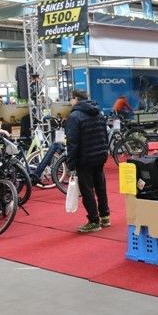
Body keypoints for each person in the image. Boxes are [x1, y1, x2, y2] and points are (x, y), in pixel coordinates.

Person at [65, 90, 110, 233]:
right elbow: (105, 135)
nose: (70, 101)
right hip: (100, 156)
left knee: (87, 190)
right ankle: (105, 216)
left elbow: (72, 143)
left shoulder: (74, 117)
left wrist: (71, 163)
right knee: (100, 187)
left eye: (71, 99)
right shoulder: (98, 112)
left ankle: (94, 221)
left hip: (84, 158)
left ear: (76, 99)